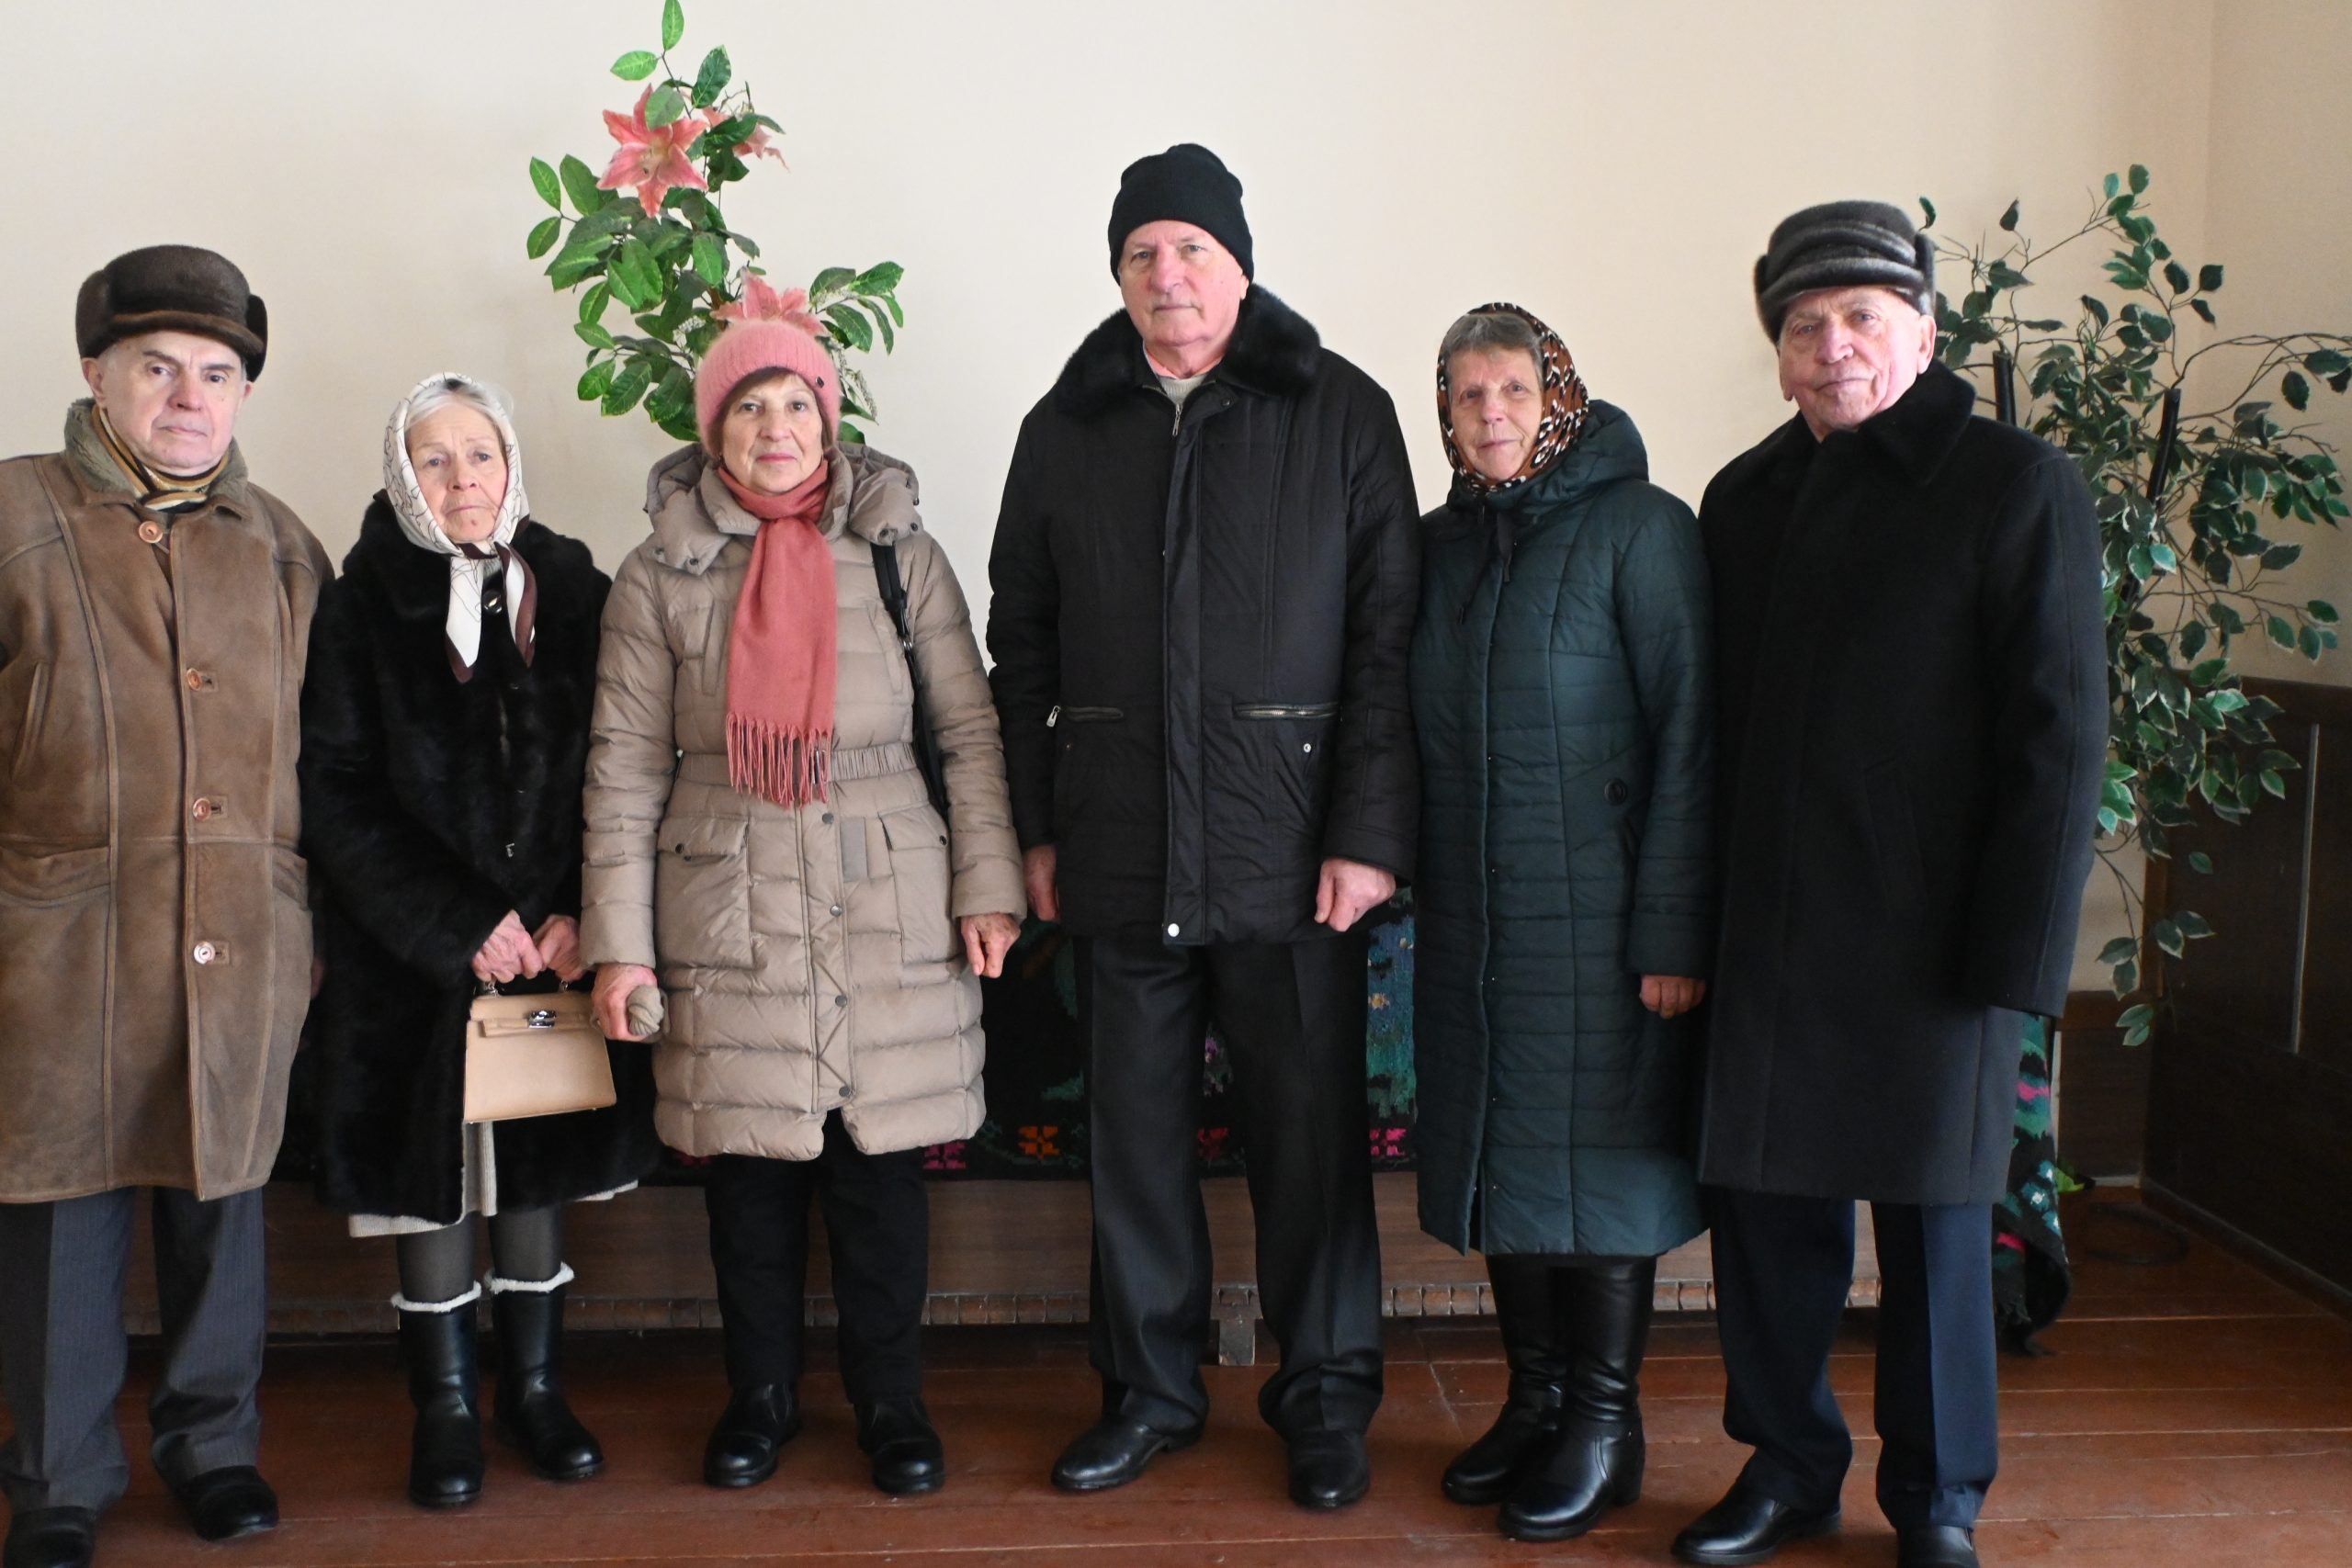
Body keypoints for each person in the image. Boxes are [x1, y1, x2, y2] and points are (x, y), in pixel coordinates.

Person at [987, 143, 1420, 1510]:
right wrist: (1034, 830)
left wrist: (1365, 833)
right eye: (1140, 253)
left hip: (1290, 856)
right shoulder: (1065, 426)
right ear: (1116, 274)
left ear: (1240, 263)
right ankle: (1149, 1393)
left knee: (1310, 1145)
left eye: (1190, 248)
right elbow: (1022, 644)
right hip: (1115, 847)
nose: (1165, 274)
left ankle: (1327, 1395)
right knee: (1131, 1149)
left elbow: (1387, 641)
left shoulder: (1341, 410)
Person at [1673, 203, 2106, 1568]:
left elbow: (2059, 738)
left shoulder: (2016, 483)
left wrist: (2019, 964)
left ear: (1923, 331)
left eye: (1863, 315)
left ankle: (1938, 1501)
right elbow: (1706, 734)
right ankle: (1788, 1463)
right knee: (1767, 1225)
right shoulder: (1742, 500)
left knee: (1933, 1239)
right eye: (1804, 324)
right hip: (1768, 936)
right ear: (1778, 352)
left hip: (1937, 949)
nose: (1834, 346)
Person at [581, 295, 1023, 1498]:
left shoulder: (898, 553)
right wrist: (621, 946)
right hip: (729, 892)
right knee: (751, 1169)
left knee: (882, 1171)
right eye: (748, 407)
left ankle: (892, 1401)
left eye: (795, 403)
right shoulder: (659, 572)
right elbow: (622, 767)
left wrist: (987, 883)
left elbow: (968, 731)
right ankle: (760, 1397)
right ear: (712, 430)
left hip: (889, 892)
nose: (774, 427)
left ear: (829, 420)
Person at [0, 245, 328, 1568]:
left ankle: (214, 1447)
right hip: (56, 939)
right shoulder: (15, 515)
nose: (190, 396)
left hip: (244, 932)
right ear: (97, 372)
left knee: (222, 1193)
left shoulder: (283, 546)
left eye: (216, 373)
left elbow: (332, 762)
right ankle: (57, 1477)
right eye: (158, 367)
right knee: (58, 1201)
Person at [299, 373, 662, 1509]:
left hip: (554, 949)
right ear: (403, 476)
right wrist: (459, 925)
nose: (463, 478)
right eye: (435, 458)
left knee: (534, 1159)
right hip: (410, 962)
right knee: (435, 1181)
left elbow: (626, 760)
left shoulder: (577, 589)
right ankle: (446, 1407)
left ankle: (537, 1392)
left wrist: (582, 909)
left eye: (481, 454)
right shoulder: (359, 604)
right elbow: (336, 791)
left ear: (512, 465)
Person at [1408, 304, 1713, 1543]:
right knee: (1508, 1160)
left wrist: (1675, 932)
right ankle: (1535, 1398)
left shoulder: (1644, 528)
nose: (1491, 415)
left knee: (1603, 1168)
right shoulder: (1440, 546)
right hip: (1478, 917)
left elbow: (1693, 734)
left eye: (1514, 392)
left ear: (1560, 400)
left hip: (1607, 922)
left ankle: (1602, 1417)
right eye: (1467, 395)